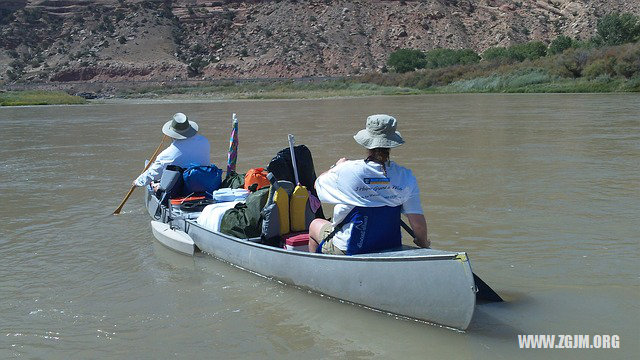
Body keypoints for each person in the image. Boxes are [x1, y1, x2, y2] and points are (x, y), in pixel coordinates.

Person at [309, 114, 429, 255]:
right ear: (391, 144)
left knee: (314, 225)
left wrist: (336, 167)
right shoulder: (406, 176)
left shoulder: (346, 169)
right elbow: (418, 224)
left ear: (366, 142)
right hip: (389, 246)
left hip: (348, 248)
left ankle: (316, 270)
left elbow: (317, 185)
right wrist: (423, 243)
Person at [133, 113, 210, 191]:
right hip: (203, 181)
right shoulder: (204, 141)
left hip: (182, 188)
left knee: (155, 183)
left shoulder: (167, 154)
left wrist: (138, 182)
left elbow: (154, 173)